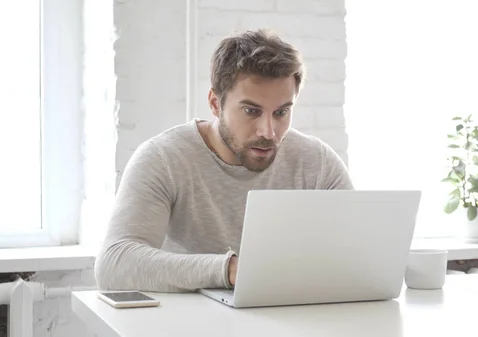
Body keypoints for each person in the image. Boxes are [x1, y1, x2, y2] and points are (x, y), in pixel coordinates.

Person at [94, 29, 354, 292]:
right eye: (251, 111)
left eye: (281, 112)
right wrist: (230, 271)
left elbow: (361, 253)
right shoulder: (164, 159)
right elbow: (114, 265)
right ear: (215, 103)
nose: (268, 131)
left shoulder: (317, 164)